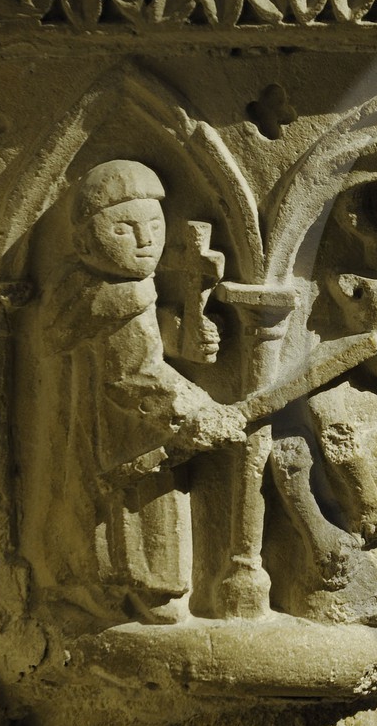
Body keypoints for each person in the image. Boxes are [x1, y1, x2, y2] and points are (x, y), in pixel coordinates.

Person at [23, 160, 244, 625]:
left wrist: (184, 333)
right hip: (123, 431)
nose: (146, 241)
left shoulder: (90, 284)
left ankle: (97, 585)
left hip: (97, 428)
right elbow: (132, 376)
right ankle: (142, 591)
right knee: (143, 508)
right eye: (124, 229)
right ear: (84, 241)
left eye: (154, 225)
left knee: (97, 509)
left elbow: (140, 346)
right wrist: (196, 410)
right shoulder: (121, 294)